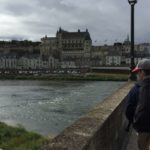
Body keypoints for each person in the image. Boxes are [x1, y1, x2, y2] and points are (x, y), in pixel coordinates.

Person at [125, 58, 150, 150]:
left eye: (138, 72)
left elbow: (129, 110)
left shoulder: (136, 89)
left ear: (142, 72)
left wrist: (135, 122)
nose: (137, 74)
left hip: (143, 127)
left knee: (143, 147)